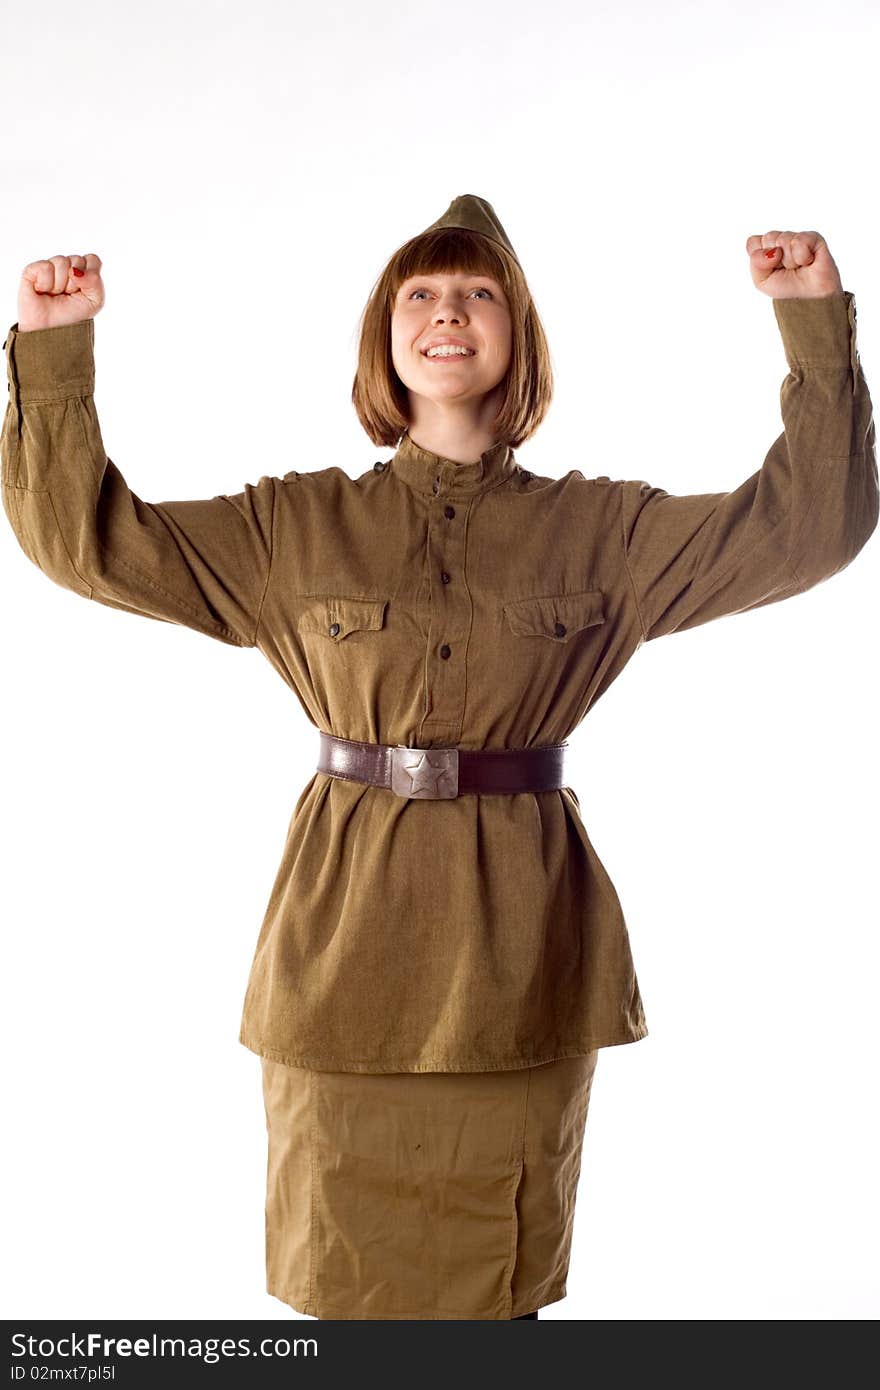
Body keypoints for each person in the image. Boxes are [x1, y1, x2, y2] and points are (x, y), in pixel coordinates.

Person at [2, 195, 877, 1322]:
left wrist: (809, 319)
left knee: (496, 1292)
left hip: (522, 964)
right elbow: (87, 540)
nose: (446, 313)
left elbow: (813, 523)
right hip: (342, 962)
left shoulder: (603, 530)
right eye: (419, 293)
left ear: (517, 334)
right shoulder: (292, 527)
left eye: (476, 292)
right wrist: (52, 351)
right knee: (340, 1287)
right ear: (385, 336)